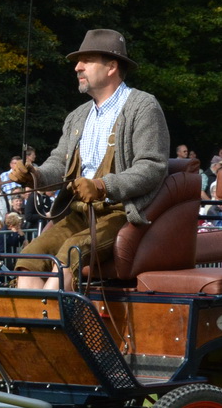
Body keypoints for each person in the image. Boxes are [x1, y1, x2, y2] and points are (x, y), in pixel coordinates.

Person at [9, 27, 169, 290]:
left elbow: (152, 166)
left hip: (119, 214)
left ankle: (57, 325)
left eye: (87, 61)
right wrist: (34, 175)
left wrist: (102, 186)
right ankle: (35, 327)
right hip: (78, 213)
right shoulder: (78, 116)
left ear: (111, 67)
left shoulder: (143, 106)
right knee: (29, 258)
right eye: (78, 63)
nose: (77, 68)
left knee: (69, 255)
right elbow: (59, 163)